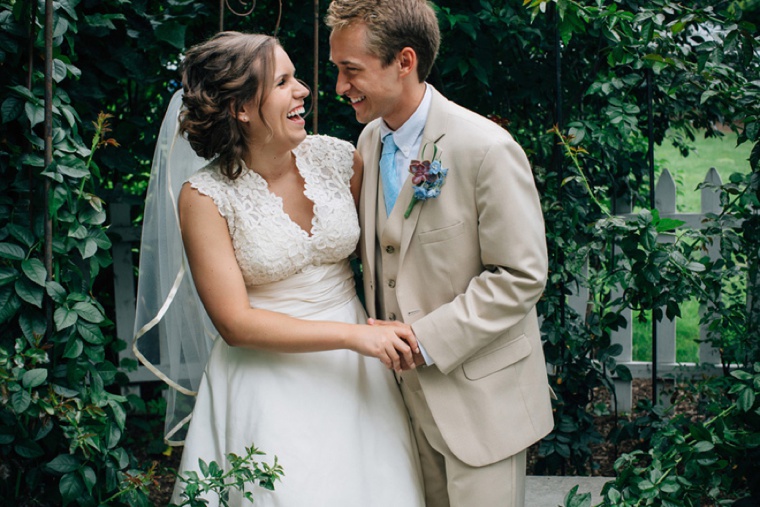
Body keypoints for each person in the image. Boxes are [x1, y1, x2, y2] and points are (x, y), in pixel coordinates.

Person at [133, 31, 425, 506]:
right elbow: (234, 323)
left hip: (357, 375)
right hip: (266, 381)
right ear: (241, 109)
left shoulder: (338, 159)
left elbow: (386, 256)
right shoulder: (205, 197)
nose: (304, 90)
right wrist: (355, 337)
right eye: (283, 82)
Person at [326, 2, 555, 506]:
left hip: (480, 404)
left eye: (352, 70)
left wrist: (422, 341)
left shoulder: (486, 149)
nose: (340, 87)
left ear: (404, 62)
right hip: (401, 408)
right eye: (337, 70)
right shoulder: (368, 140)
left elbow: (521, 275)